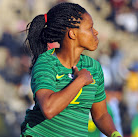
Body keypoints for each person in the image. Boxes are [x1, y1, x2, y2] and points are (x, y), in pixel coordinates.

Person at [21, 2, 122, 137]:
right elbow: (49, 109)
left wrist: (115, 134)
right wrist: (80, 80)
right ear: (72, 34)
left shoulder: (93, 67)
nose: (96, 32)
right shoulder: (46, 63)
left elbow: (101, 114)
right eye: (90, 28)